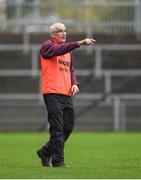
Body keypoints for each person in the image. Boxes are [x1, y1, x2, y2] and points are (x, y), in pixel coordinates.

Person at [37, 22, 96, 167]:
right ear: (52, 34)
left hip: (66, 93)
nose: (63, 33)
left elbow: (71, 70)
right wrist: (79, 43)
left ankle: (45, 151)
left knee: (67, 128)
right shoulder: (47, 46)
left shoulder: (68, 52)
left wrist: (75, 83)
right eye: (59, 31)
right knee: (57, 128)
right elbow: (59, 49)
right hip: (52, 93)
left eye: (65, 31)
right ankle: (58, 162)